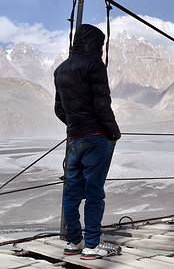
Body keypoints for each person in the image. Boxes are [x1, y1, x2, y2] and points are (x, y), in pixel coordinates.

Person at [54, 24, 122, 260]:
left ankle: (73, 242)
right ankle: (92, 245)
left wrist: (76, 126)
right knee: (94, 193)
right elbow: (102, 105)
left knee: (72, 194)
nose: (102, 50)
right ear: (95, 44)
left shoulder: (60, 70)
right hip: (96, 140)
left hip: (74, 141)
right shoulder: (95, 66)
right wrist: (114, 134)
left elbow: (59, 109)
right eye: (101, 45)